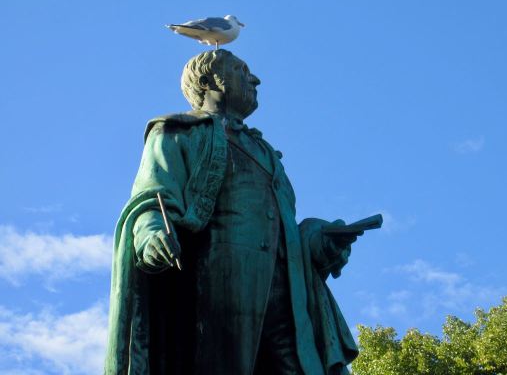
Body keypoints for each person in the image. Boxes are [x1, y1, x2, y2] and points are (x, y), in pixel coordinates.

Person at [105, 49, 359, 374]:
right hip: (218, 287)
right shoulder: (178, 132)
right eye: (241, 71)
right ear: (208, 81)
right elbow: (153, 197)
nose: (255, 80)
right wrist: (151, 235)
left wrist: (320, 240)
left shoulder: (266, 153)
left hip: (287, 300)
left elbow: (284, 233)